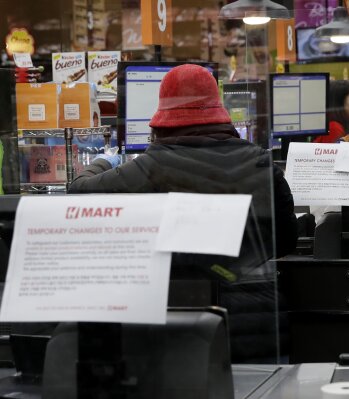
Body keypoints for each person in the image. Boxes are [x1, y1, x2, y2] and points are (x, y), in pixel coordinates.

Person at [68, 64, 298, 361]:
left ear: (161, 121)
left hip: (180, 328)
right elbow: (287, 240)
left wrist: (103, 162)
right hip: (256, 325)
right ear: (218, 112)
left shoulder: (146, 169)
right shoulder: (260, 163)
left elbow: (78, 194)